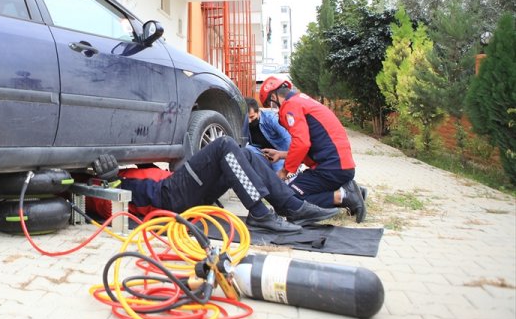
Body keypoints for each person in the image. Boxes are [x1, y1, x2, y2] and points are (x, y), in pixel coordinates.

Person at [90, 136, 340, 233]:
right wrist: (111, 183)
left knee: (248, 154)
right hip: (168, 197)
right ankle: (260, 213)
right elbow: (110, 209)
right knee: (224, 145)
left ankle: (292, 206)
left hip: (180, 192)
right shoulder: (91, 187)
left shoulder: (123, 171)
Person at [258, 76, 367, 222]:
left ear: (274, 96)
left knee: (290, 196)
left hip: (331, 167)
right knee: (296, 188)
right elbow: (310, 145)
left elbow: (302, 143)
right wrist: (281, 154)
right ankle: (353, 191)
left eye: (271, 104)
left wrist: (284, 171)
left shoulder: (290, 106)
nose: (275, 110)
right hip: (339, 165)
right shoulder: (302, 100)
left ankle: (344, 195)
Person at [245, 97, 291, 173]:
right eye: (247, 118)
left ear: (258, 111)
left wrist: (289, 157)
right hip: (261, 153)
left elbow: (288, 138)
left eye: (252, 117)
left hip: (280, 153)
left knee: (278, 176)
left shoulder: (271, 118)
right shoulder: (243, 123)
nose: (249, 121)